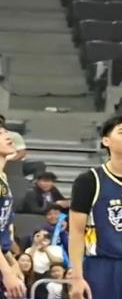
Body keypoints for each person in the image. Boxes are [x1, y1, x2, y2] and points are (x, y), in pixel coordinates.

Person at [69, 116, 122, 299]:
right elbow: (76, 232)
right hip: (101, 266)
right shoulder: (89, 180)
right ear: (106, 141)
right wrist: (76, 277)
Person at [0, 126, 26, 299]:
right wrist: (7, 273)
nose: (7, 136)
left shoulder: (3, 178)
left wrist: (12, 262)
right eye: (0, 134)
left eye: (5, 132)